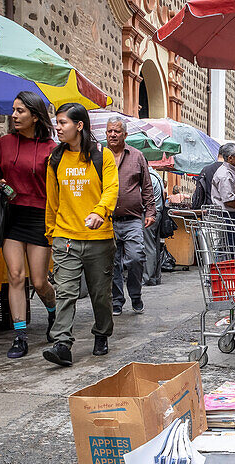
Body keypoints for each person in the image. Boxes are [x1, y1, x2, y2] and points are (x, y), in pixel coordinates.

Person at [42, 103, 119, 367]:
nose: (58, 127)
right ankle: (62, 343)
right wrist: (51, 233)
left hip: (99, 239)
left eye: (63, 122)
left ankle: (101, 333)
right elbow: (52, 200)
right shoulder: (55, 159)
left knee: (100, 294)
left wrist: (100, 212)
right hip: (66, 237)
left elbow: (111, 189)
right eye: (57, 122)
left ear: (79, 125)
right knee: (65, 292)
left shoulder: (102, 156)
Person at [0, 91, 58, 359]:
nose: (14, 115)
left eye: (21, 111)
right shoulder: (3, 143)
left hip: (40, 216)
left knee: (39, 281)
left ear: (36, 116)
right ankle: (20, 336)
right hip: (11, 214)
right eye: (14, 110)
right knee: (16, 276)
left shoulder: (52, 149)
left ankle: (53, 313)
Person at [104, 118, 152, 316]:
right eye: (109, 131)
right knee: (112, 263)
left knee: (135, 258)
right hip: (107, 220)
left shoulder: (137, 156)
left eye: (116, 131)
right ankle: (116, 300)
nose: (113, 134)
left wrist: (150, 212)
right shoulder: (100, 156)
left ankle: (135, 294)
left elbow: (147, 187)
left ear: (125, 134)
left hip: (132, 219)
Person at [142, 168, 166, 287]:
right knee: (155, 245)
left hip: (149, 214)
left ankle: (148, 278)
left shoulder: (148, 177)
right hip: (158, 213)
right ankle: (156, 277)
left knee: (148, 246)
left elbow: (145, 198)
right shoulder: (156, 175)